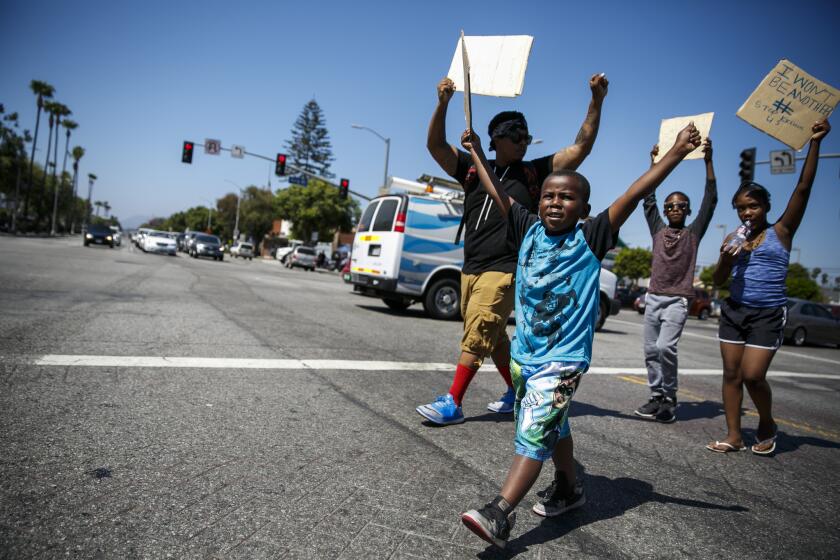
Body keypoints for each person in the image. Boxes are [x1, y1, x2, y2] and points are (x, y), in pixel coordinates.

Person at [459, 123, 701, 548]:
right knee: (555, 423)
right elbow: (497, 191)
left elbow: (633, 191)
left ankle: (499, 512)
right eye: (549, 195)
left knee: (534, 431)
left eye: (567, 197)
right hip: (525, 355)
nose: (555, 203)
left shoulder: (590, 238)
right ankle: (570, 489)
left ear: (584, 207)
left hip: (563, 359)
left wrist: (677, 153)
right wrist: (478, 151)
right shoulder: (527, 228)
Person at [416, 73, 609, 425]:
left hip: (505, 266)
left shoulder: (536, 172)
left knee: (477, 331)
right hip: (471, 266)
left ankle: (453, 402)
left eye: (527, 136)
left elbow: (580, 147)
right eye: (516, 136)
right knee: (491, 334)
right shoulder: (474, 170)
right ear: (495, 140)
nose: (524, 141)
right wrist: (442, 103)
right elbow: (436, 146)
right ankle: (515, 391)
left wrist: (596, 101)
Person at [706, 119, 830, 455]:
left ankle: (766, 421)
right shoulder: (733, 239)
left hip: (767, 314)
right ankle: (733, 435)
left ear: (766, 207)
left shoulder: (782, 231)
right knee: (731, 373)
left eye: (753, 206)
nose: (747, 213)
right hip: (734, 310)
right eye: (742, 208)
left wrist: (815, 142)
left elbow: (802, 189)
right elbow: (717, 282)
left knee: (753, 375)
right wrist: (726, 259)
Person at [634, 139, 718, 423]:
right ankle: (656, 397)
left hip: (678, 299)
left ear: (689, 211)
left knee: (665, 347)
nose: (675, 208)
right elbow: (647, 197)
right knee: (649, 350)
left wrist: (708, 161)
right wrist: (654, 164)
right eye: (670, 206)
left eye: (681, 205)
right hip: (654, 296)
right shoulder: (658, 230)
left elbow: (712, 198)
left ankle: (670, 397)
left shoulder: (693, 234)